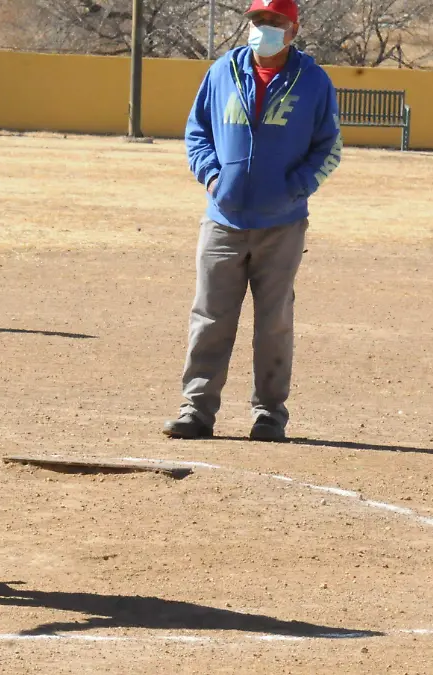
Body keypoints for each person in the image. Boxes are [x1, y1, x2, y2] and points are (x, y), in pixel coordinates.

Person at [164, 0, 342, 443]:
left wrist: (295, 187)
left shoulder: (314, 82)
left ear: (293, 30)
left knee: (274, 322)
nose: (263, 28)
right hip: (223, 220)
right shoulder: (222, 71)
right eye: (257, 21)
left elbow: (329, 148)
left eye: (274, 22)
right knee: (209, 317)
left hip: (281, 225)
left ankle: (269, 415)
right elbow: (197, 131)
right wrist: (211, 177)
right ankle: (197, 410)